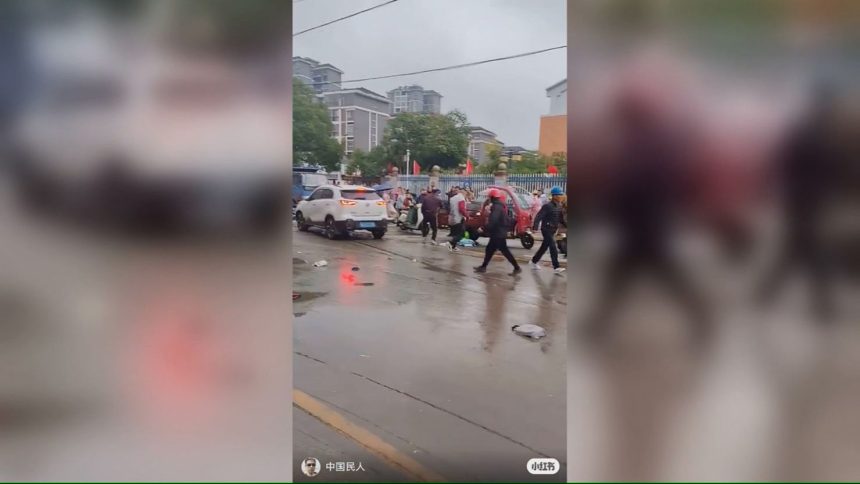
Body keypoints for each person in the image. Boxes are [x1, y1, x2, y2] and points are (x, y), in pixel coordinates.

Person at [474, 189, 522, 275]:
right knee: (490, 249)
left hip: (498, 233)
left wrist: (484, 228)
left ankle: (517, 267)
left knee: (503, 251)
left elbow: (493, 220)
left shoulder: (496, 207)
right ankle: (483, 267)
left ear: (492, 198)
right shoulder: (500, 206)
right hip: (499, 232)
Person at [530, 186, 567, 274]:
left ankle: (534, 261)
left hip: (553, 230)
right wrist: (535, 227)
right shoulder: (547, 206)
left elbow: (561, 218)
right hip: (546, 229)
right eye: (559, 195)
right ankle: (556, 267)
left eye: (561, 195)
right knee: (552, 246)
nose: (561, 196)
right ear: (554, 196)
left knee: (544, 247)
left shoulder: (559, 205)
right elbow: (539, 216)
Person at [447, 187, 468, 252]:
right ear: (463, 192)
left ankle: (453, 247)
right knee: (462, 234)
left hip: (453, 217)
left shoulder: (452, 198)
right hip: (460, 218)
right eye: (466, 193)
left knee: (456, 233)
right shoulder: (461, 198)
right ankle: (451, 243)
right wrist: (467, 215)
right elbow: (461, 208)